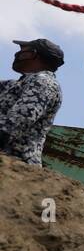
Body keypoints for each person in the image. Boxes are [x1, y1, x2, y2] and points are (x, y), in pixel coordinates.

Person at [0, 38, 64, 166]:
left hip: (16, 163)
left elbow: (20, 119)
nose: (17, 55)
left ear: (35, 54)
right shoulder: (20, 83)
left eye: (24, 51)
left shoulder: (44, 82)